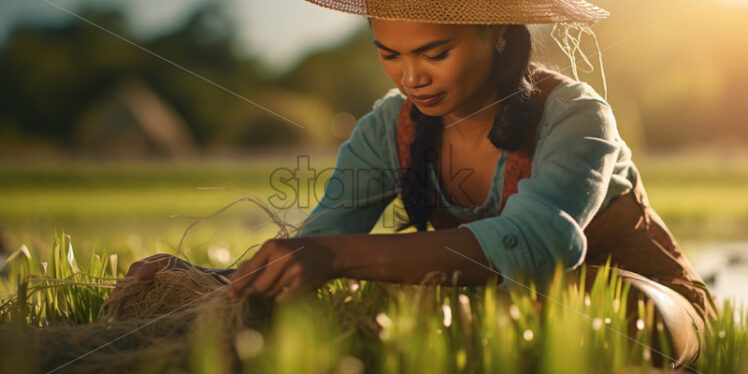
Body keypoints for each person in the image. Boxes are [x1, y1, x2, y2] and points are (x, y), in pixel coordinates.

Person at [117, 0, 716, 368]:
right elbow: (323, 235)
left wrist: (335, 256)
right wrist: (205, 279)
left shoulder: (576, 116)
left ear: (496, 33)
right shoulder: (389, 126)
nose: (410, 78)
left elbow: (539, 245)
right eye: (389, 55)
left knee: (616, 312)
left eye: (434, 52)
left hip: (636, 305)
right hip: (488, 314)